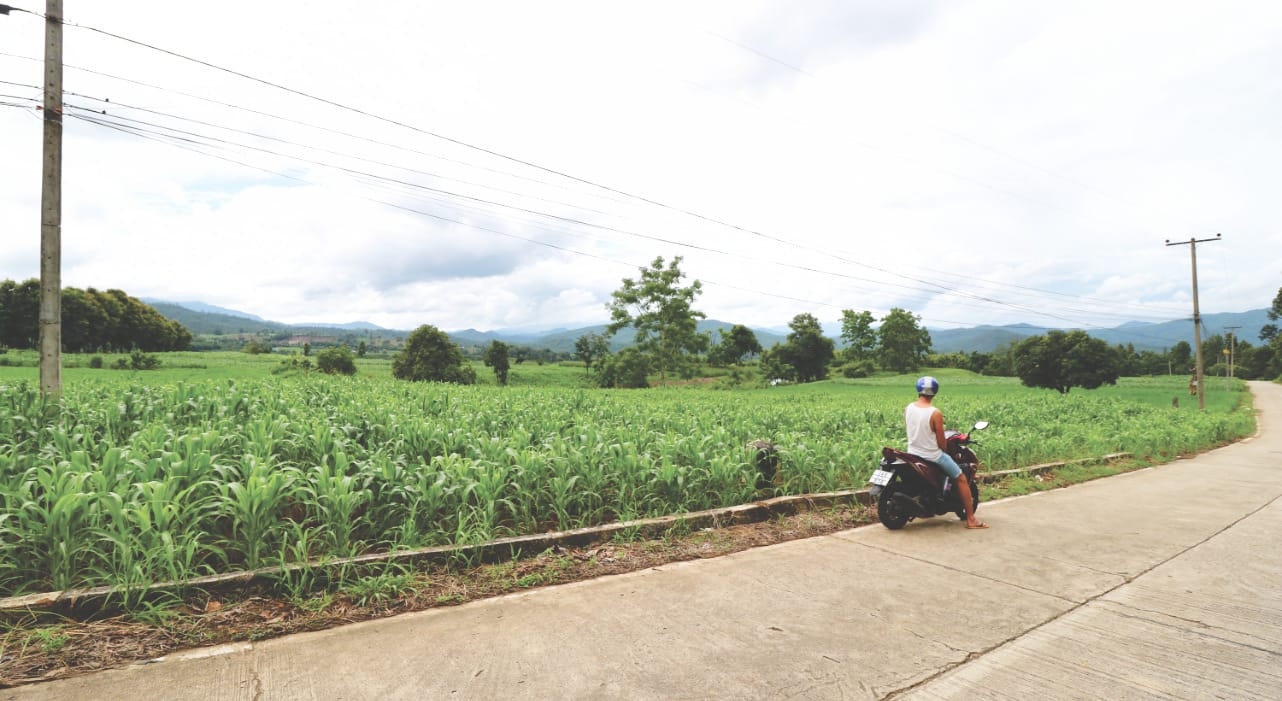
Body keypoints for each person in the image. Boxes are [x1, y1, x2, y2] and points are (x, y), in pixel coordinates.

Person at [906, 376, 987, 529]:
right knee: (961, 478)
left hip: (913, 452)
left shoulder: (909, 408)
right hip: (932, 455)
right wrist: (945, 452)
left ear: (918, 390)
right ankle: (971, 519)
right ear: (935, 392)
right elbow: (942, 442)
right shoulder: (935, 413)